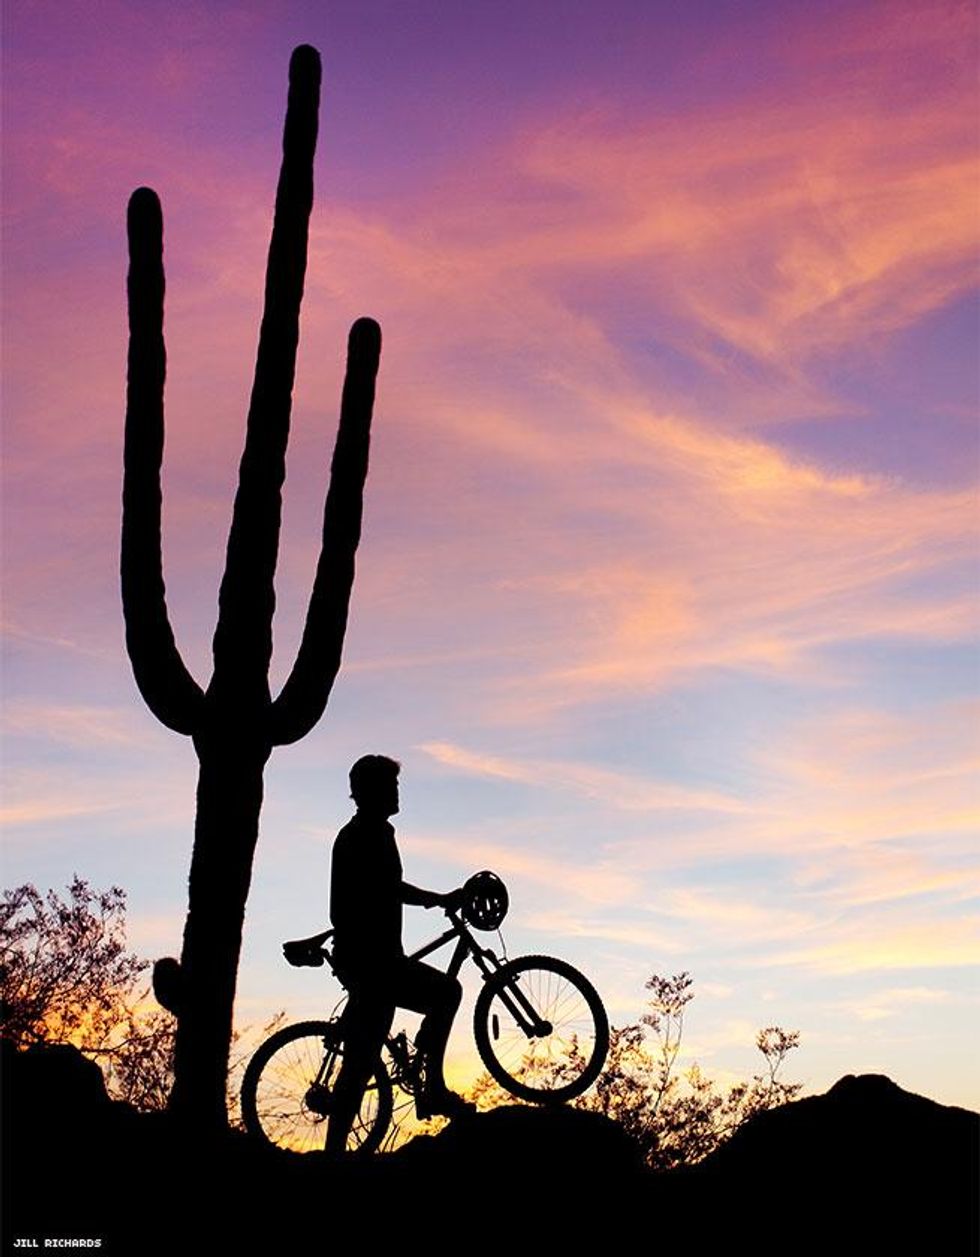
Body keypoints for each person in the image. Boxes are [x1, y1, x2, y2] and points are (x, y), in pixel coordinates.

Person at [324, 754, 472, 1155]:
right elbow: (390, 889)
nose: (396, 792)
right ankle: (433, 1090)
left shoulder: (369, 832)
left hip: (373, 959)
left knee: (360, 1057)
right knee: (446, 994)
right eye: (390, 786)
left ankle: (336, 1151)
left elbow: (389, 887)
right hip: (373, 963)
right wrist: (438, 899)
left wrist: (434, 900)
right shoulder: (365, 835)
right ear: (370, 792)